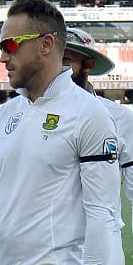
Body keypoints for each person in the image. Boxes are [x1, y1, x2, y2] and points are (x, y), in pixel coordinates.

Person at [0, 0, 120, 264]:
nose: (2, 57)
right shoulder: (6, 113)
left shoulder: (89, 114)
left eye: (10, 45)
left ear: (46, 44)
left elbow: (102, 216)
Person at [63, 27, 133, 265]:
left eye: (66, 60)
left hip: (105, 242)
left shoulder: (120, 117)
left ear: (88, 65)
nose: (57, 68)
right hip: (51, 244)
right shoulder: (34, 114)